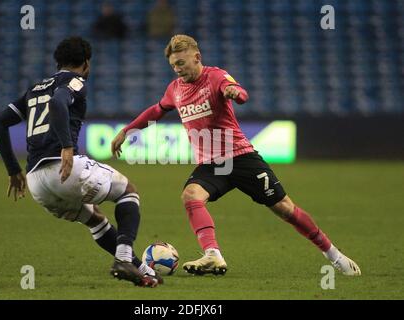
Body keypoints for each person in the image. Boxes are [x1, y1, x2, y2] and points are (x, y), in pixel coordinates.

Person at [111, 34, 361, 277]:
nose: (177, 69)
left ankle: (335, 256)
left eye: (181, 63)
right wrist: (127, 130)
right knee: (191, 195)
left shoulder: (215, 76)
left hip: (240, 157)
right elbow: (157, 110)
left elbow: (238, 91)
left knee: (285, 209)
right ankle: (212, 254)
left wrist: (234, 92)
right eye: (173, 65)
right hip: (211, 165)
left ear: (196, 57)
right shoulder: (174, 89)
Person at [0, 37, 162, 288]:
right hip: (64, 168)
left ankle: (143, 270)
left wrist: (13, 169)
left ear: (58, 61)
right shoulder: (75, 80)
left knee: (95, 220)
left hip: (36, 181)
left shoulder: (35, 88)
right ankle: (124, 258)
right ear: (86, 63)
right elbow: (58, 102)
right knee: (128, 193)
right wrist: (67, 147)